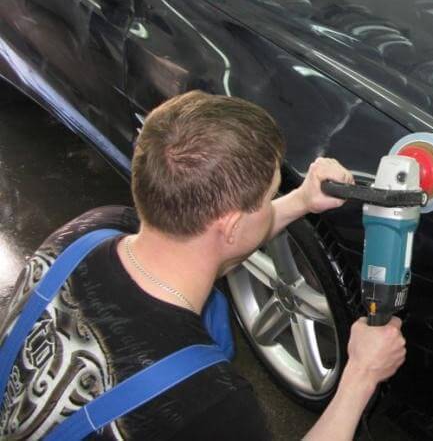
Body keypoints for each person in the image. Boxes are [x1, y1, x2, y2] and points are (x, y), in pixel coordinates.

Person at [0, 91, 406, 440]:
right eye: (269, 197)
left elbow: (209, 243)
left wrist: (300, 201)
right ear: (231, 225)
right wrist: (362, 374)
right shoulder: (207, 402)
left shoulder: (89, 231)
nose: (271, 203)